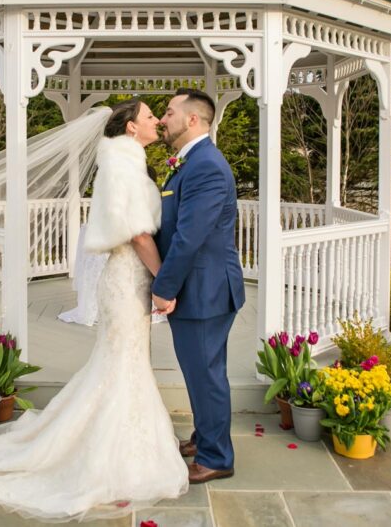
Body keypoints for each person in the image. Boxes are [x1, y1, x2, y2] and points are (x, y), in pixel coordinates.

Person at [0, 99, 189, 521]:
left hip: (128, 279)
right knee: (123, 362)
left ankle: (113, 439)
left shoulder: (128, 161)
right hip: (127, 279)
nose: (156, 122)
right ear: (130, 127)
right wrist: (165, 281)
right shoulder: (123, 166)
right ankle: (109, 452)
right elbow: (140, 235)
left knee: (121, 362)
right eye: (148, 116)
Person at [151, 88, 245, 484]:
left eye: (169, 112)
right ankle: (205, 437)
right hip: (200, 288)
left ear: (192, 120)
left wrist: (163, 287)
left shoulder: (206, 165)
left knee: (205, 374)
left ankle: (216, 457)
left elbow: (189, 237)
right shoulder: (190, 162)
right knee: (200, 371)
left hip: (204, 290)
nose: (162, 119)